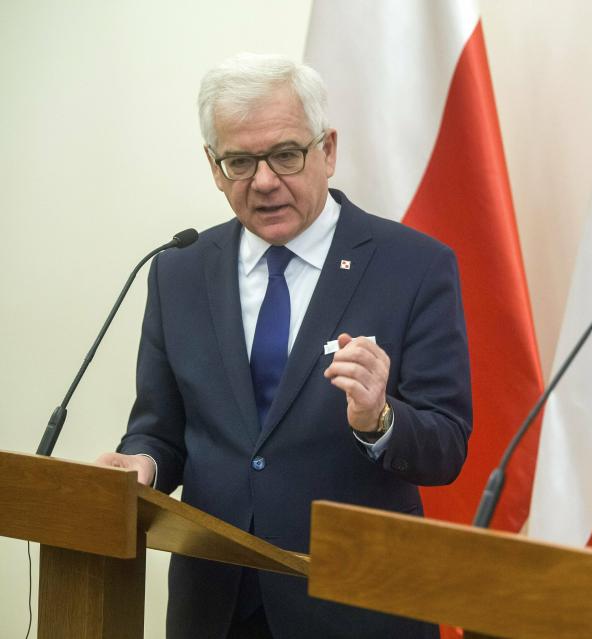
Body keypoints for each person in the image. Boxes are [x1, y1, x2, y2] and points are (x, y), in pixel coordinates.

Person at [95, 53, 471, 639]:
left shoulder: (414, 267)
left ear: (328, 151)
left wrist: (380, 419)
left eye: (286, 154)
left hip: (355, 605)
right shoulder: (179, 272)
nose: (264, 181)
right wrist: (141, 462)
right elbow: (160, 430)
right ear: (214, 167)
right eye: (240, 161)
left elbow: (447, 447)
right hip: (213, 607)